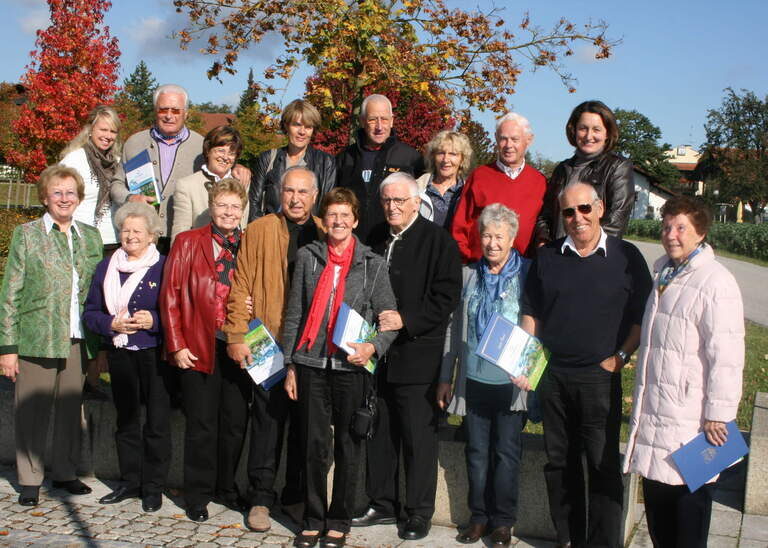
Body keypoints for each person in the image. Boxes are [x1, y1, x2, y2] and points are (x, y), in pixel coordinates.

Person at [516, 182, 652, 548]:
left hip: (599, 377)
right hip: (554, 377)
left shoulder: (627, 256)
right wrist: (528, 365)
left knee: (602, 463)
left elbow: (643, 314)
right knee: (559, 462)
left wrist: (620, 356)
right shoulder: (548, 258)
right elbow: (531, 313)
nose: (577, 218)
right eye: (569, 212)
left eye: (584, 209)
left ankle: (603, 542)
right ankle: (568, 538)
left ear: (601, 209)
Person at [623, 196, 744, 548]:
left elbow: (728, 354)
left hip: (693, 421)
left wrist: (719, 415)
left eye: (680, 228)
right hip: (657, 413)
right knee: (660, 514)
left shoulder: (715, 282)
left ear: (701, 232)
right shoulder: (665, 273)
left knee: (688, 518)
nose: (670, 234)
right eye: (666, 226)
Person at [281, 187, 397, 548]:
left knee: (349, 445)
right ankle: (313, 519)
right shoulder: (308, 257)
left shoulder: (372, 263)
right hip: (311, 364)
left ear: (356, 221)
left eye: (345, 215)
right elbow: (294, 314)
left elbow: (389, 320)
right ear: (324, 219)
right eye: (332, 214)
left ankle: (340, 520)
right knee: (314, 445)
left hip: (351, 368)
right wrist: (289, 364)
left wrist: (372, 347)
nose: (338, 221)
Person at [354, 172, 462, 541]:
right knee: (380, 433)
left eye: (400, 200)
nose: (393, 207)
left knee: (418, 438)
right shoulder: (374, 236)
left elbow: (446, 298)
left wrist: (407, 319)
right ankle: (381, 503)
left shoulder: (438, 242)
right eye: (387, 201)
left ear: (417, 202)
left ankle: (418, 512)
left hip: (417, 355)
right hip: (376, 354)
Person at [224, 166, 325, 532]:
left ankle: (296, 499)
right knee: (266, 425)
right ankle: (261, 500)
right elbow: (241, 286)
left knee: (304, 426)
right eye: (289, 191)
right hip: (266, 339)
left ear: (314, 195)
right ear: (280, 193)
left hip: (309, 347)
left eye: (303, 192)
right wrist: (236, 334)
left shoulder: (325, 232)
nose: (295, 199)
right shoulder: (260, 229)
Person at [0, 165, 103, 507]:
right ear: (45, 197)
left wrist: (98, 342)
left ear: (78, 197)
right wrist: (8, 348)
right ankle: (30, 479)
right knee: (33, 410)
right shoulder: (27, 235)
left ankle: (65, 472)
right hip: (37, 336)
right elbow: (10, 293)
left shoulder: (89, 236)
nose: (64, 198)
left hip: (77, 337)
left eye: (70, 192)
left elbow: (96, 290)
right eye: (57, 192)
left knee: (71, 410)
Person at [159, 179, 251, 522]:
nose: (228, 212)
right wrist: (177, 344)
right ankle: (197, 494)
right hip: (199, 343)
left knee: (235, 422)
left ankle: (226, 487)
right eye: (222, 205)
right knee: (202, 424)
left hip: (238, 343)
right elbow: (169, 296)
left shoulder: (247, 244)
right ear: (211, 208)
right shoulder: (188, 243)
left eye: (234, 207)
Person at [438, 204, 530, 547]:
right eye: (487, 235)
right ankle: (478, 517)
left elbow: (537, 327)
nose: (492, 243)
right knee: (476, 452)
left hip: (510, 384)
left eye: (499, 236)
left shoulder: (527, 275)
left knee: (507, 453)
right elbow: (452, 329)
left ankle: (503, 523)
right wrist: (446, 377)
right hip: (473, 381)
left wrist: (530, 374)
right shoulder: (469, 276)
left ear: (512, 239)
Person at [82, 202, 171, 512]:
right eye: (125, 230)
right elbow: (90, 313)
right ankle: (130, 481)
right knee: (127, 419)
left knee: (157, 422)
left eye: (138, 231)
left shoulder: (164, 266)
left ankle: (154, 487)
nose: (131, 236)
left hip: (154, 353)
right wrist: (110, 324)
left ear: (152, 236)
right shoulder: (106, 267)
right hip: (120, 351)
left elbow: (177, 312)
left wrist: (154, 321)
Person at [110, 84, 251, 250]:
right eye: (163, 110)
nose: (169, 116)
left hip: (183, 238)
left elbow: (220, 164)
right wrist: (130, 198)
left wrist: (237, 167)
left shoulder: (200, 146)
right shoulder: (134, 143)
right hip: (142, 237)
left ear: (186, 113)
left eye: (175, 110)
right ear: (155, 111)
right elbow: (116, 184)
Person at [536, 100, 634, 245]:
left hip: (592, 258)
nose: (589, 136)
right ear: (574, 130)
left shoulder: (617, 167)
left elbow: (616, 222)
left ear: (607, 133)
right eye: (583, 128)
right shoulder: (562, 169)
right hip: (557, 254)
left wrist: (584, 252)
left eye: (596, 129)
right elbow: (546, 214)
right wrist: (544, 243)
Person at [451, 112, 546, 262]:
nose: (508, 145)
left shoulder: (540, 182)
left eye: (515, 139)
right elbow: (460, 225)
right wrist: (468, 261)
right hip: (480, 269)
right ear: (496, 138)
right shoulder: (479, 177)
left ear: (528, 140)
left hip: (523, 270)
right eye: (503, 139)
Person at [336, 94, 424, 242]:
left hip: (392, 241)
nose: (379, 126)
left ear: (392, 121)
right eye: (372, 119)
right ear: (363, 121)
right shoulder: (345, 158)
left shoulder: (411, 158)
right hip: (351, 242)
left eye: (384, 119)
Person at [247, 99, 336, 221]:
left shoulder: (326, 162)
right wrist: (262, 233)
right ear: (286, 126)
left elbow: (327, 206)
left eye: (308, 127)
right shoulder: (268, 158)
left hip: (308, 235)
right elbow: (254, 203)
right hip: (273, 232)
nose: (302, 132)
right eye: (297, 125)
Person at [60, 105, 123, 249]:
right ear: (90, 130)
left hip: (114, 240)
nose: (108, 136)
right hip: (82, 241)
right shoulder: (74, 160)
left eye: (113, 131)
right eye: (103, 130)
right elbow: (55, 199)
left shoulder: (119, 163)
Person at [171, 125, 249, 240]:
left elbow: (244, 226)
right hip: (200, 253)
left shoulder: (243, 182)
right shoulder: (187, 186)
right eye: (221, 150)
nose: (225, 157)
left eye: (231, 153)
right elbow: (180, 234)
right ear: (208, 151)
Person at [416, 130, 473, 229]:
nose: (446, 159)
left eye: (453, 154)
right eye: (441, 153)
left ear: (462, 159)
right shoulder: (416, 188)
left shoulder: (469, 192)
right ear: (433, 157)